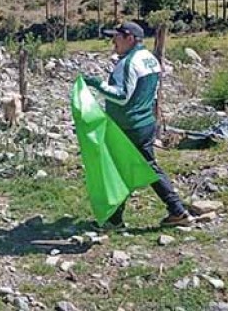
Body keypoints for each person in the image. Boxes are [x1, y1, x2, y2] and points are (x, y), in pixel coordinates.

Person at [83, 21, 194, 229]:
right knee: (133, 168)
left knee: (134, 169)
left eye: (116, 37)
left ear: (130, 38)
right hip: (145, 123)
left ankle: (177, 210)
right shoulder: (150, 59)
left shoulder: (128, 63)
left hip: (128, 126)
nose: (113, 41)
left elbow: (123, 96)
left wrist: (97, 84)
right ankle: (117, 218)